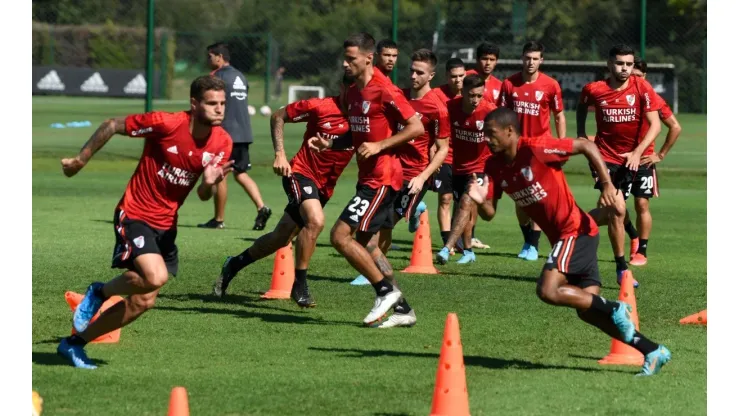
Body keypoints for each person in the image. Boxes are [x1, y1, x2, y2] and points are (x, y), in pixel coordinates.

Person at [462, 107, 672, 376]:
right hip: (571, 236)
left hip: (575, 231)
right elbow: (489, 214)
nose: (486, 139)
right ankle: (653, 351)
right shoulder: (494, 166)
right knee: (587, 310)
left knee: (548, 291)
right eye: (484, 134)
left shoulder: (536, 148)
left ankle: (615, 306)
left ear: (510, 131)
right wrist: (479, 201)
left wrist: (607, 184)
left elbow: (585, 145)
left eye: (490, 134)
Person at [56, 76, 234, 369]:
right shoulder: (166, 123)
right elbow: (112, 124)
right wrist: (80, 160)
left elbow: (203, 195)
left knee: (143, 301)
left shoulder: (223, 142)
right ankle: (99, 292)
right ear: (194, 104)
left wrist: (209, 183)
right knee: (155, 277)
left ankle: (74, 344)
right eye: (212, 103)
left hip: (167, 224)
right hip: (135, 213)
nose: (219, 109)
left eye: (223, 103)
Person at [211, 75, 356, 307]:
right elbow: (278, 115)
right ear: (342, 87)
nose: (358, 94)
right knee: (316, 221)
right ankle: (300, 285)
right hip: (300, 173)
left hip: (325, 187)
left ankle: (233, 264)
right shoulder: (321, 106)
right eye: (353, 88)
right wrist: (279, 153)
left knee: (280, 238)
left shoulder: (364, 118)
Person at [318, 32, 424, 325]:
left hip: (383, 178)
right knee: (367, 244)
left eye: (351, 58)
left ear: (368, 58)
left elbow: (416, 128)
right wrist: (331, 144)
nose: (345, 63)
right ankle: (403, 309)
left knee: (339, 236)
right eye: (345, 58)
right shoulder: (353, 92)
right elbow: (356, 137)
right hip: (368, 179)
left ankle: (384, 291)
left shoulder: (385, 90)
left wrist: (380, 145)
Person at [348, 49, 451, 327]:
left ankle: (387, 290)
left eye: (420, 72)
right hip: (389, 174)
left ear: (431, 75)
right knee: (372, 236)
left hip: (412, 180)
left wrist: (423, 177)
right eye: (412, 71)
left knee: (374, 234)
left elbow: (442, 149)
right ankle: (395, 300)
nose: (414, 76)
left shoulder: (436, 106)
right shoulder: (399, 95)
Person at [576, 44, 662, 288]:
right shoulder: (594, 89)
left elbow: (655, 125)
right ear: (609, 64)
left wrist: (637, 152)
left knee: (611, 212)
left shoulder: (642, 87)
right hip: (605, 158)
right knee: (618, 210)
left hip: (634, 158)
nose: (624, 68)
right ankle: (622, 269)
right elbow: (582, 105)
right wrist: (582, 133)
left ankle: (574, 226)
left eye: (628, 64)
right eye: (619, 63)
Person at [498, 40, 566, 261]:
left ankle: (533, 246)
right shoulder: (509, 84)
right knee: (521, 200)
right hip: (516, 150)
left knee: (538, 197)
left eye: (535, 58)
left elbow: (559, 115)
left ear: (541, 61)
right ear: (522, 58)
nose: (531, 62)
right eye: (527, 58)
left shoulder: (551, 85)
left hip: (541, 149)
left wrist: (562, 144)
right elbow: (501, 116)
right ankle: (528, 239)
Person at [198, 42, 272, 231]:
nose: (208, 61)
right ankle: (262, 207)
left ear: (219, 57)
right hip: (244, 132)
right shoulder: (241, 76)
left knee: (221, 175)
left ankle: (218, 219)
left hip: (225, 134)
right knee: (241, 173)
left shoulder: (216, 77)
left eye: (210, 57)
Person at [622, 56, 682, 266]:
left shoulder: (654, 99)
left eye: (639, 75)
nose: (635, 79)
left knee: (641, 204)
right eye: (632, 75)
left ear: (645, 76)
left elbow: (675, 127)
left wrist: (660, 154)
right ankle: (633, 235)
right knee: (617, 206)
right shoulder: (619, 96)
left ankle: (642, 250)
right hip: (619, 159)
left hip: (644, 161)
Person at [435, 75, 496, 265]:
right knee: (466, 209)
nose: (476, 100)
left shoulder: (490, 112)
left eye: (479, 95)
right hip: (457, 167)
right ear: (462, 92)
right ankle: (468, 251)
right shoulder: (450, 108)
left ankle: (447, 248)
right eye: (471, 95)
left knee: (465, 202)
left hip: (481, 167)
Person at [463, 41, 502, 249]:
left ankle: (469, 235)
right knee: (455, 195)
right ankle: (462, 238)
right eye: (484, 58)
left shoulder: (499, 85)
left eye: (492, 59)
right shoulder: (466, 78)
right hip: (462, 145)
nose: (487, 63)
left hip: (485, 151)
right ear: (477, 59)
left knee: (483, 202)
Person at [431, 58, 465, 252]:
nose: (458, 80)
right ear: (446, 76)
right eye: (454, 76)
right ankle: (447, 243)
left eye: (461, 76)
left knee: (464, 202)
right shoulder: (436, 95)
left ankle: (461, 241)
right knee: (445, 199)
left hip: (465, 159)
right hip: (444, 155)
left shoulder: (470, 95)